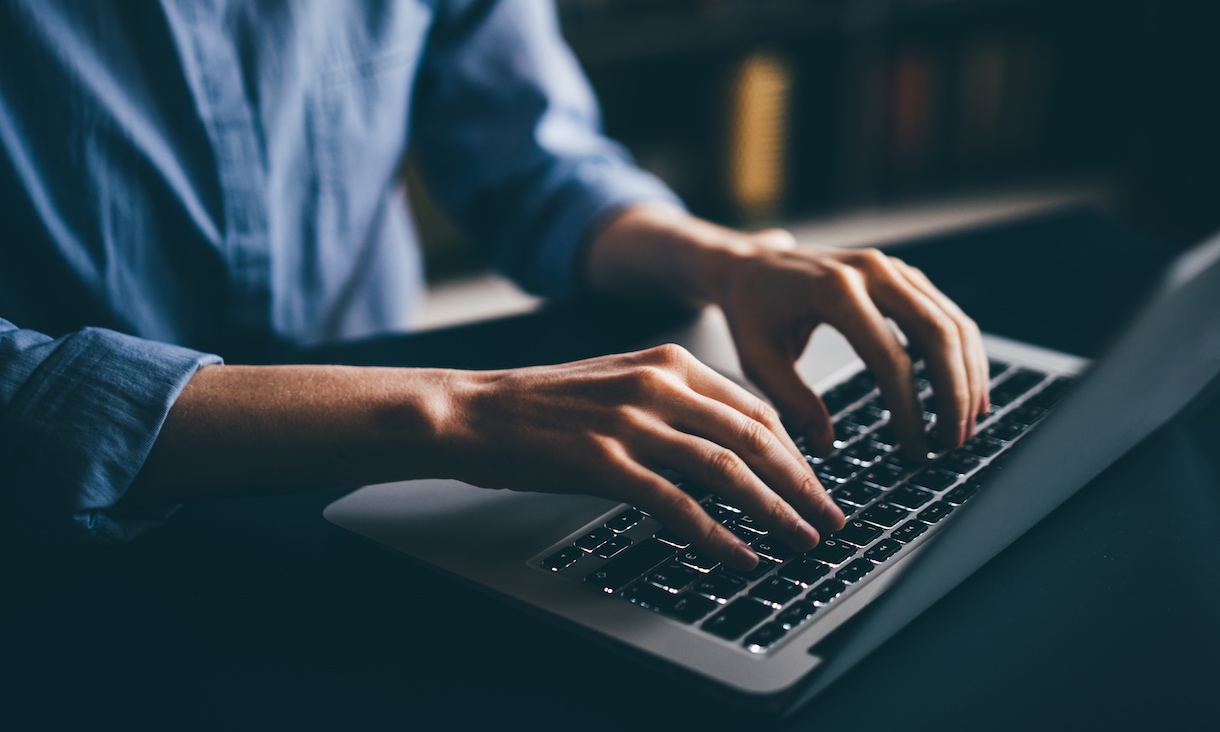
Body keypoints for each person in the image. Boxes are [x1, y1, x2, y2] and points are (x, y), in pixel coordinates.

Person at [0, 0, 988, 570]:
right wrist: (459, 410)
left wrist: (723, 261)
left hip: (368, 495)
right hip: (60, 538)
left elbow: (530, 164)